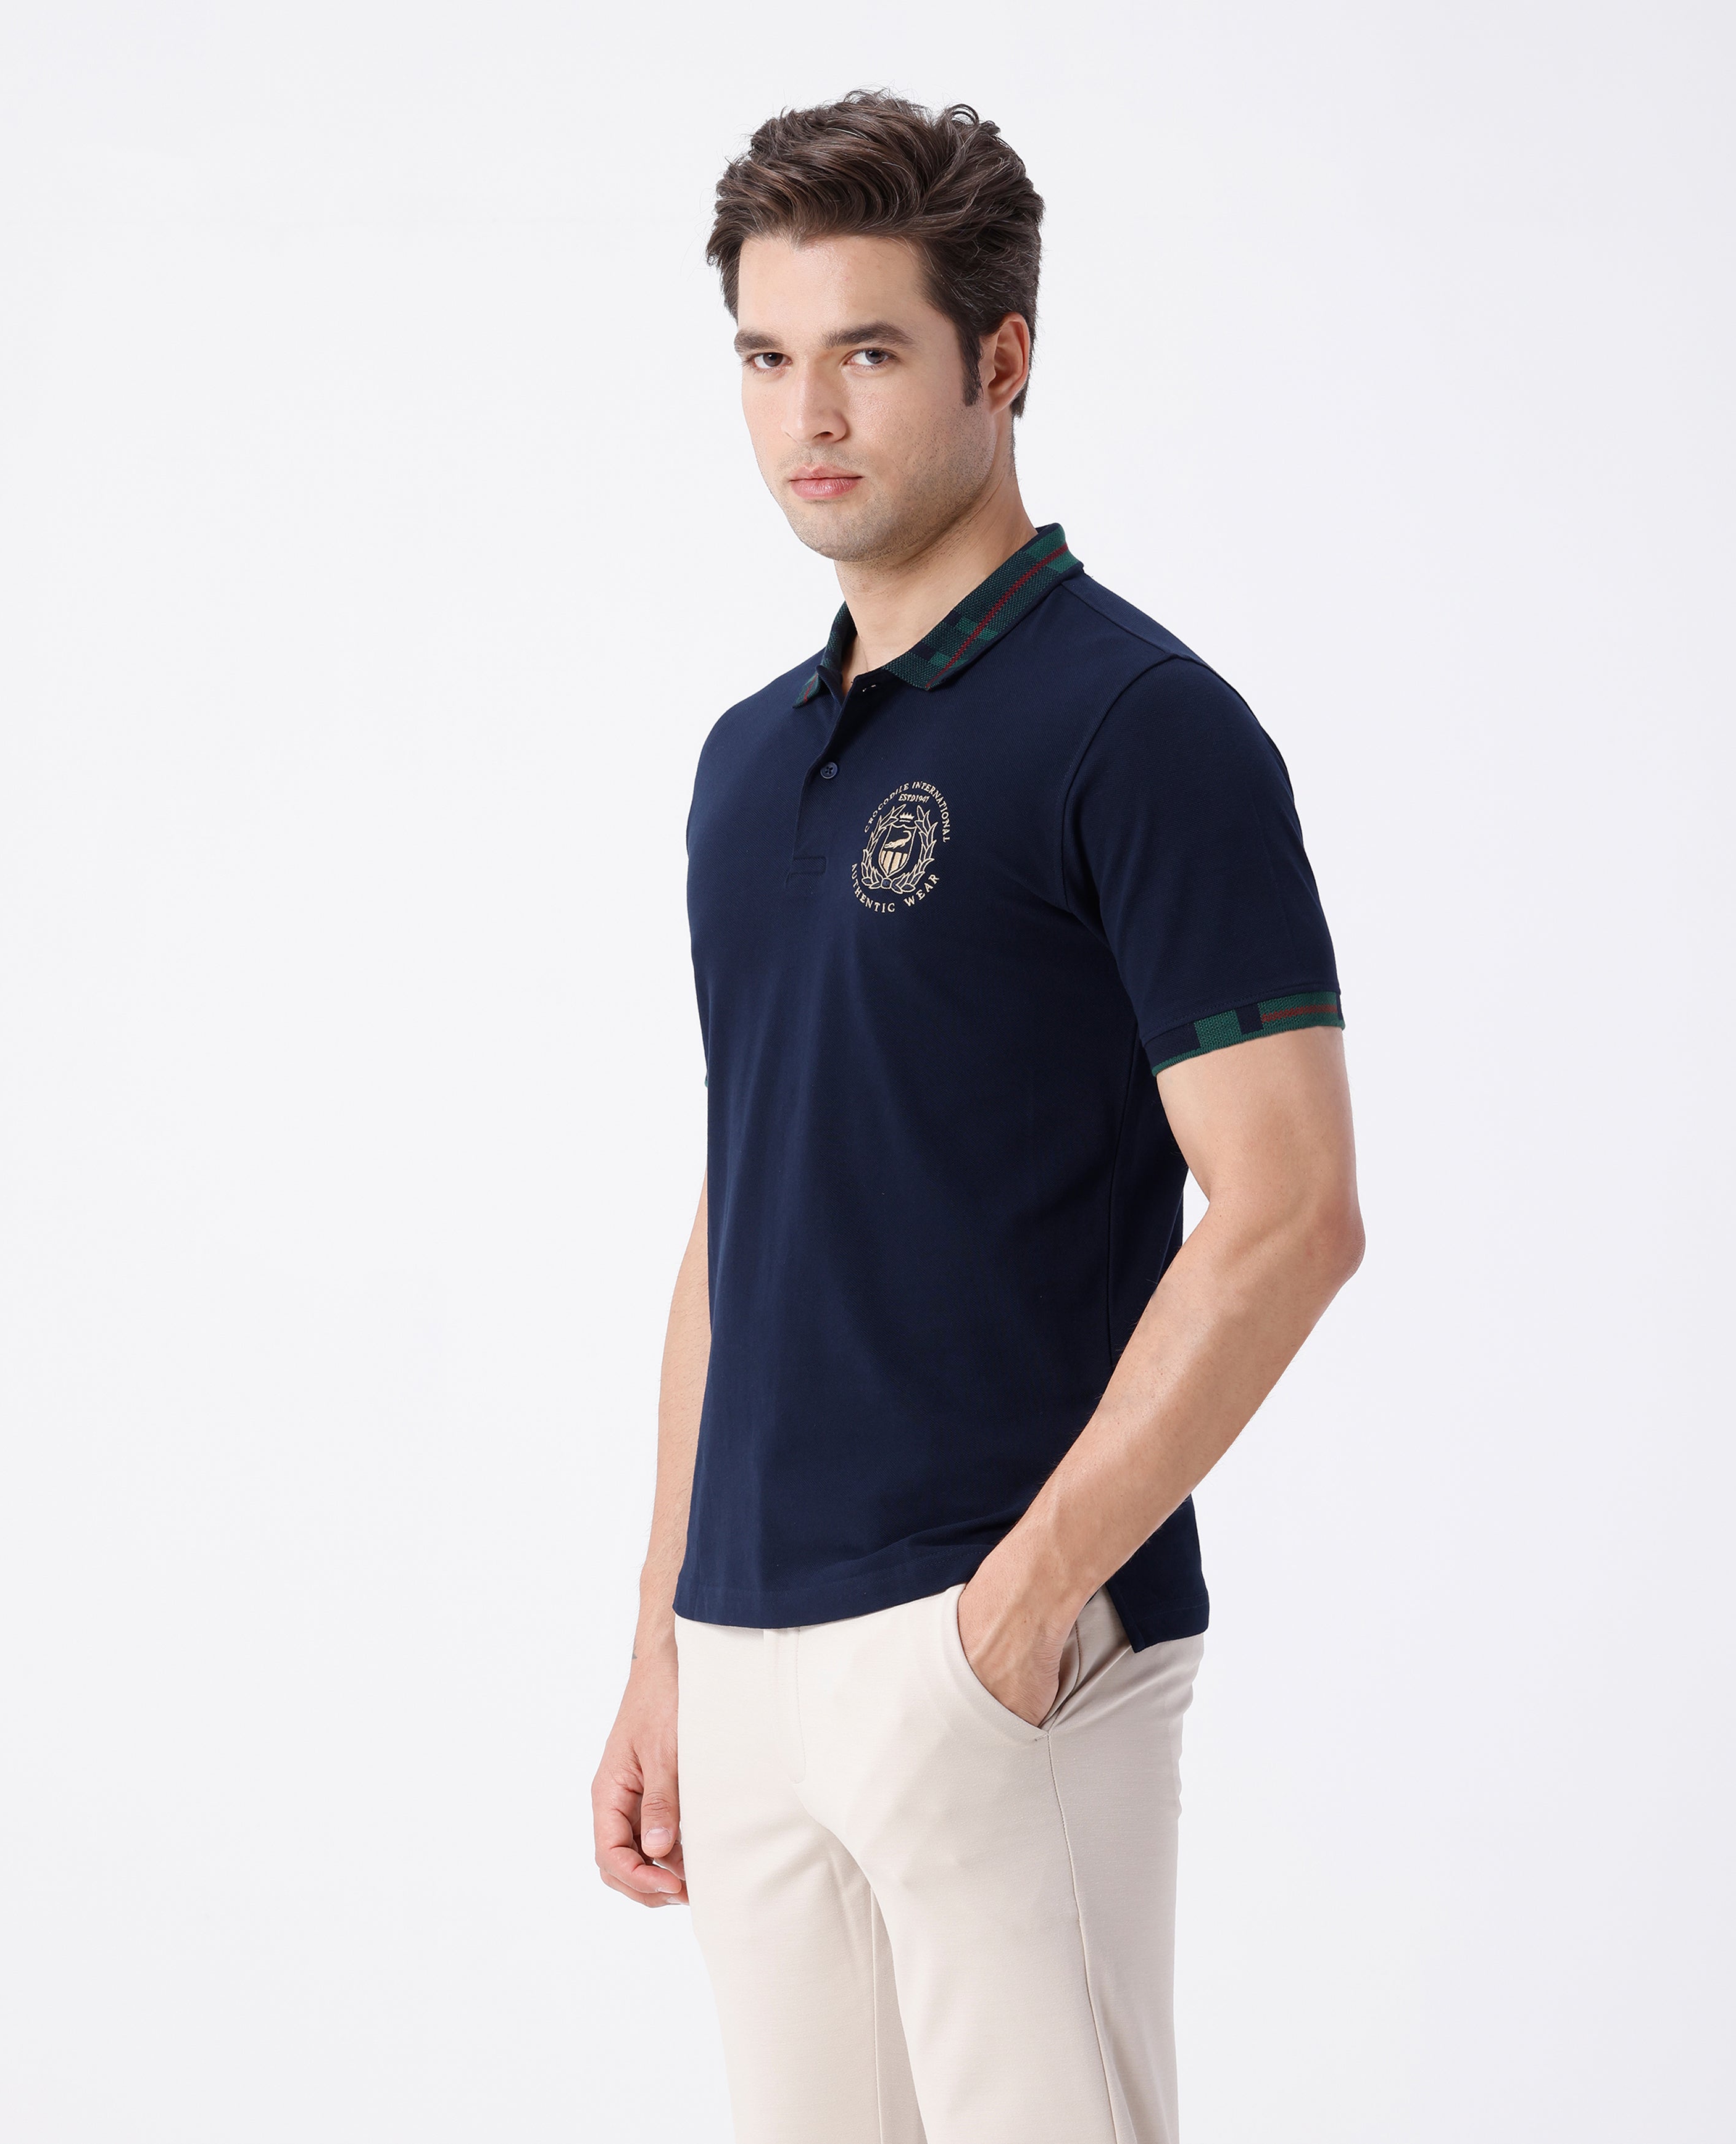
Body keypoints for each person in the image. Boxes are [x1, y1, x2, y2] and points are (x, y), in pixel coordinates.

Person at [590, 89, 1364, 2144]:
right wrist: (667, 1639)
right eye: (767, 354)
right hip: (750, 1655)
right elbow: (741, 1217)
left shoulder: (1141, 727)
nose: (807, 413)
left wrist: (1019, 1613)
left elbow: (1290, 1209)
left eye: (867, 349)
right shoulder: (747, 764)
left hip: (995, 1641)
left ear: (1000, 357)